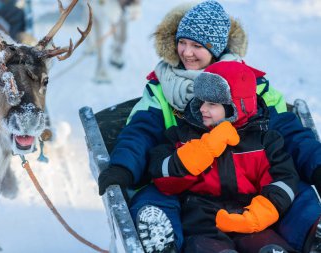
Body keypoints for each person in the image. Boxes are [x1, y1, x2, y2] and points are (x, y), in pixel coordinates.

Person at [98, 1, 321, 252]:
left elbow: (289, 132)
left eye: (197, 46)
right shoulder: (162, 89)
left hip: (248, 178)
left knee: (295, 190)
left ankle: (313, 233)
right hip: (185, 177)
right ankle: (164, 241)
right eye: (182, 42)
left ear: (216, 49)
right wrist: (122, 167)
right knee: (154, 195)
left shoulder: (251, 84)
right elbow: (141, 132)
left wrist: (317, 163)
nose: (186, 52)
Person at [148, 61, 298, 252]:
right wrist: (203, 150)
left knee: (268, 246)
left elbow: (284, 178)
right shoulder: (185, 135)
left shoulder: (264, 140)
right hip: (203, 220)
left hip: (251, 216)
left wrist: (261, 213)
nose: (202, 108)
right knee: (209, 248)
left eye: (212, 104)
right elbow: (160, 173)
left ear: (235, 106)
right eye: (201, 100)